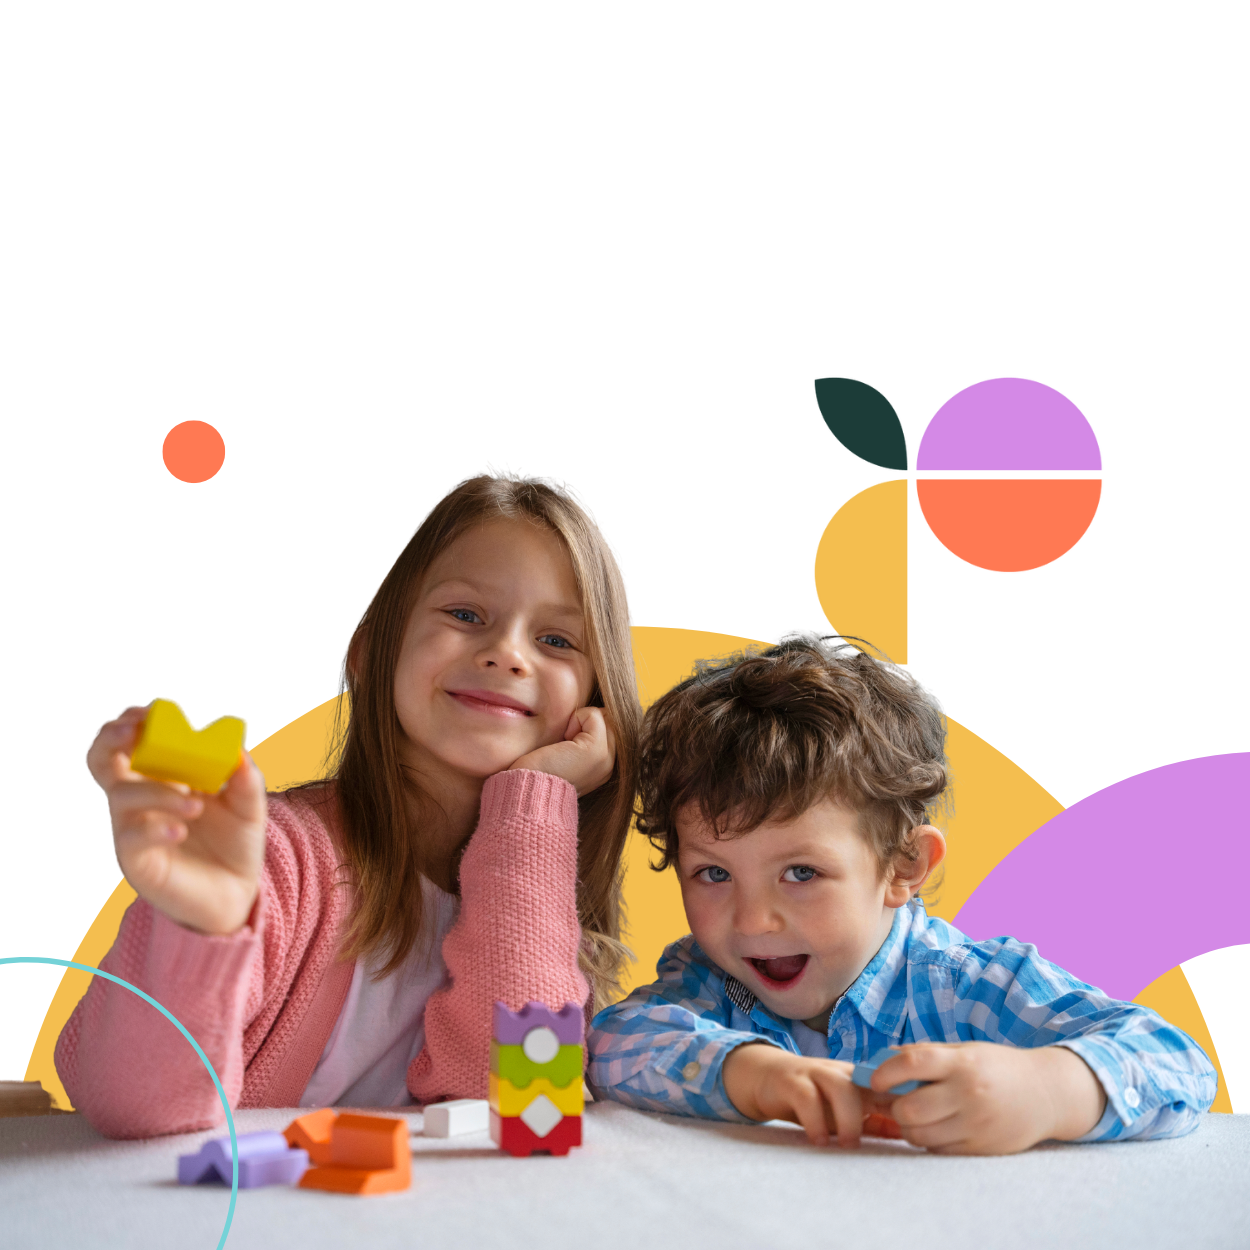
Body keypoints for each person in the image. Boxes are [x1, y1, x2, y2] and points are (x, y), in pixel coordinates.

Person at [62, 464, 641, 1140]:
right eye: (465, 614)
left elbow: (528, 1110)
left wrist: (534, 805)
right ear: (371, 651)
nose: (507, 653)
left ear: (593, 710)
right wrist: (199, 925)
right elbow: (129, 1109)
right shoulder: (272, 858)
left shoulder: (542, 910)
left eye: (556, 641)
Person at [587, 629, 1217, 1155]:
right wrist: (757, 1075)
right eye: (714, 874)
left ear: (903, 866)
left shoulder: (972, 988)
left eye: (801, 873)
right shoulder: (712, 982)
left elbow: (1175, 1061)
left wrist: (1049, 1091)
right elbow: (613, 1045)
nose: (753, 921)